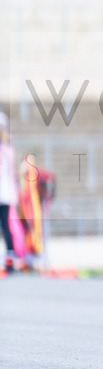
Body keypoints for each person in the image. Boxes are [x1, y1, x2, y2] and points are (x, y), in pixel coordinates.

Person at [17, 153, 56, 270]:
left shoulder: (39, 173)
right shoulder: (23, 176)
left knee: (40, 231)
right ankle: (29, 257)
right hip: (26, 209)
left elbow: (51, 181)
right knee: (27, 232)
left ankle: (42, 257)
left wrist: (48, 200)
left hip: (37, 208)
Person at [1, 112, 19, 273]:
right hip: (6, 193)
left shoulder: (6, 150)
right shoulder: (8, 149)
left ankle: (10, 260)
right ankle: (9, 260)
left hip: (4, 194)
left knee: (6, 227)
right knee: (5, 227)